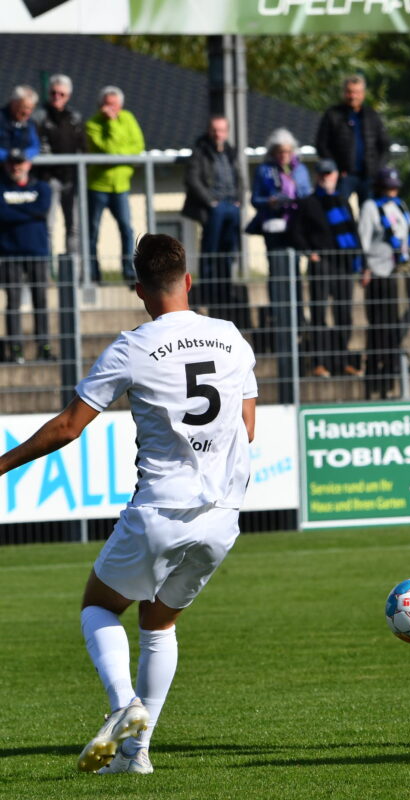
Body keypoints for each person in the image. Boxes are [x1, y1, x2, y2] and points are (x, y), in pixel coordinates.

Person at [0, 233, 257, 775]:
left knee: (98, 605)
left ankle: (123, 705)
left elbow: (68, 427)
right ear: (188, 281)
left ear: (139, 289)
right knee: (159, 623)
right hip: (223, 515)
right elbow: (247, 427)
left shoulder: (132, 346)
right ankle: (136, 755)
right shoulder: (231, 338)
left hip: (161, 508)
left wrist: (1, 465)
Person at [246, 127, 312, 393]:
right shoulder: (264, 171)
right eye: (279, 151)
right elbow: (255, 198)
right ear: (273, 152)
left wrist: (295, 197)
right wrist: (271, 200)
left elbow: (306, 195)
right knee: (276, 271)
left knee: (294, 271)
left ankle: (297, 312)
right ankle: (277, 311)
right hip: (273, 225)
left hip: (294, 226)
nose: (284, 155)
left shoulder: (300, 170)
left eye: (287, 151)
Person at [288, 158, 362, 379]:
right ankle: (319, 362)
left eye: (329, 174)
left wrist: (359, 261)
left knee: (343, 314)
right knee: (319, 313)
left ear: (336, 175)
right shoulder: (308, 202)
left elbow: (353, 232)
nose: (325, 178)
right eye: (322, 174)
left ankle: (342, 361)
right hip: (321, 265)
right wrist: (309, 252)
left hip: (342, 264)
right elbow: (296, 232)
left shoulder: (343, 201)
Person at [357, 165, 410, 399]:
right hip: (378, 273)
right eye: (388, 187)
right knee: (379, 327)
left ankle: (391, 378)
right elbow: (363, 239)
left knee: (395, 327)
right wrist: (365, 267)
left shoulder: (400, 206)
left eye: (395, 187)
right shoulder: (370, 207)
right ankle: (375, 380)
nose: (392, 191)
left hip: (397, 272)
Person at [183, 116, 242, 317]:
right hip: (213, 208)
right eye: (215, 130)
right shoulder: (200, 151)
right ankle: (208, 293)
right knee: (210, 251)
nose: (218, 134)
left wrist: (239, 199)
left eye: (222, 130)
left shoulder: (231, 152)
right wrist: (210, 202)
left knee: (228, 251)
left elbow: (239, 178)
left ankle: (226, 291)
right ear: (209, 130)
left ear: (227, 132)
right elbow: (192, 179)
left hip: (232, 205)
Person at [86, 86, 144, 284]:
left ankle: (129, 271)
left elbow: (138, 146)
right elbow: (109, 150)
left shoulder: (128, 118)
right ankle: (93, 273)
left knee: (127, 229)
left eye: (114, 105)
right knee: (93, 231)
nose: (111, 109)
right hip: (98, 186)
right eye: (107, 105)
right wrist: (111, 123)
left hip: (121, 185)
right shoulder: (93, 124)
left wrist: (120, 151)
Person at [0, 151, 52, 363]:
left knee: (40, 300)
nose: (16, 167)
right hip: (9, 254)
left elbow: (43, 209)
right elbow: (2, 213)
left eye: (20, 163)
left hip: (37, 252)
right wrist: (29, 212)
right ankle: (15, 349)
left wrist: (14, 211)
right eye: (12, 163)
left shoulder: (42, 187)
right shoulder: (2, 187)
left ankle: (44, 347)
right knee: (13, 301)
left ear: (28, 164)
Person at [32, 74, 87, 255]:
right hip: (49, 178)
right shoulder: (39, 117)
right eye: (53, 93)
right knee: (47, 225)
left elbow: (83, 147)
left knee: (74, 227)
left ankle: (74, 268)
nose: (57, 97)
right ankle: (46, 269)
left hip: (71, 178)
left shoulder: (75, 118)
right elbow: (35, 146)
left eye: (61, 94)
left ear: (68, 96)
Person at [315, 75, 390, 207]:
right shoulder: (333, 115)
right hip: (343, 176)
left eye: (357, 92)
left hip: (368, 177)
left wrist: (377, 170)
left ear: (363, 94)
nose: (353, 96)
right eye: (349, 92)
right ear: (344, 93)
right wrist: (335, 168)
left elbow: (384, 145)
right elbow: (321, 144)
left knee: (369, 210)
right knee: (339, 209)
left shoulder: (371, 115)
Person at [0, 85, 41, 163]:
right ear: (14, 103)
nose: (27, 112)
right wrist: (8, 156)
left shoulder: (30, 123)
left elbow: (35, 146)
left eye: (31, 108)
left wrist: (24, 155)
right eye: (24, 107)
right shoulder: (2, 119)